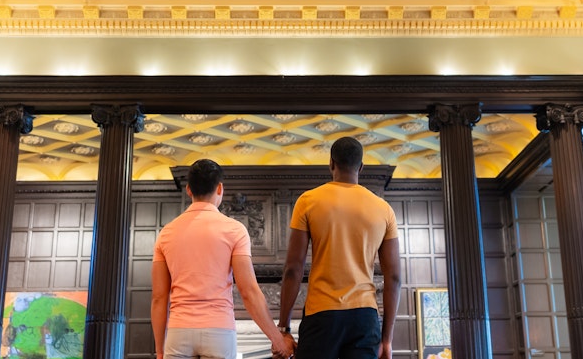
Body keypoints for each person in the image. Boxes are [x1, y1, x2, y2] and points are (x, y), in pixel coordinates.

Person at [151, 159, 296, 359]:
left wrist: (160, 350)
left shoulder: (166, 233)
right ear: (220, 188)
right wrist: (277, 339)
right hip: (219, 330)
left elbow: (159, 298)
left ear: (188, 190)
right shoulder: (234, 230)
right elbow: (248, 292)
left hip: (179, 331)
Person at [278, 136, 401, 359]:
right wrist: (387, 339)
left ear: (331, 164)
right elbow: (394, 278)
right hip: (364, 317)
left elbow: (293, 269)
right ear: (361, 167)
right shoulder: (384, 210)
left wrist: (284, 329)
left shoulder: (308, 201)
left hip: (321, 315)